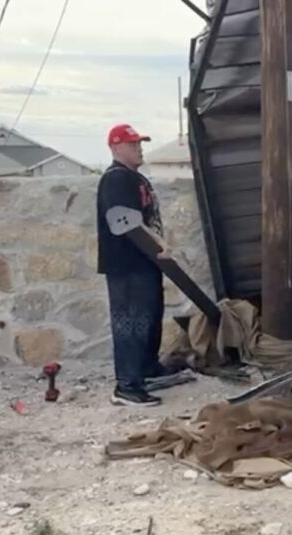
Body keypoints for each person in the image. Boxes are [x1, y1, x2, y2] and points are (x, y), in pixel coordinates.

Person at [96, 123, 174, 407]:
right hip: (126, 264)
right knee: (130, 323)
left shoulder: (134, 178)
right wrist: (158, 244)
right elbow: (126, 221)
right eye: (132, 144)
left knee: (150, 317)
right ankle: (127, 385)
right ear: (115, 147)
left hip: (145, 262)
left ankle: (147, 370)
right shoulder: (116, 179)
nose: (139, 148)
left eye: (139, 143)